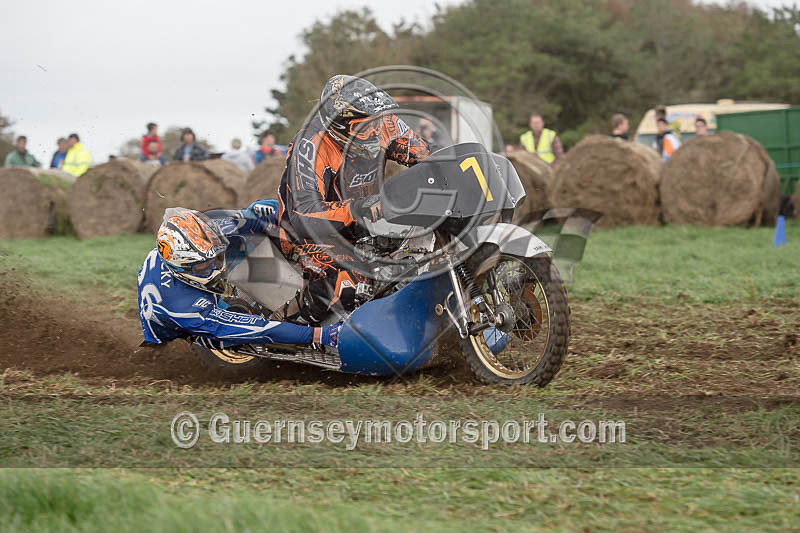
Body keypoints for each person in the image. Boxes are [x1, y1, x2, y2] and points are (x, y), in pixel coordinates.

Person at [275, 74, 431, 324]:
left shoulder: (384, 123)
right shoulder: (312, 145)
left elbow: (427, 158)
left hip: (366, 226)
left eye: (377, 122)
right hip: (308, 234)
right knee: (352, 282)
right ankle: (293, 325)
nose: (376, 130)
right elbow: (304, 214)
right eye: (365, 126)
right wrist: (359, 208)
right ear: (339, 125)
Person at [137, 203, 340, 348]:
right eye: (204, 268)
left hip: (183, 279)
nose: (217, 270)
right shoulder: (184, 308)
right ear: (182, 271)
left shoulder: (212, 227)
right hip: (176, 324)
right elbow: (261, 329)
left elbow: (262, 213)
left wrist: (300, 245)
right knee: (238, 337)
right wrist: (320, 335)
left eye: (216, 259)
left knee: (259, 219)